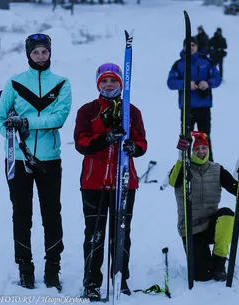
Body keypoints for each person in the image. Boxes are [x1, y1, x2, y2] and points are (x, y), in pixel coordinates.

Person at [0, 33, 72, 290]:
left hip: (49, 159)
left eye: (44, 52)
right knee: (21, 215)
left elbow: (58, 118)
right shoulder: (14, 83)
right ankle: (25, 267)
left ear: (50, 53)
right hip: (18, 160)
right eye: (35, 52)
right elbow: (0, 117)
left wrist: (26, 122)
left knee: (52, 214)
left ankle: (52, 268)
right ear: (28, 54)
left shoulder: (62, 84)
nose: (40, 56)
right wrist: (9, 131)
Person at [74, 62, 147, 301]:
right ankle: (91, 282)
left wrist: (132, 147)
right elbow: (81, 143)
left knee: (121, 233)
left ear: (120, 83)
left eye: (113, 80)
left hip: (124, 182)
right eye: (104, 81)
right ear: (98, 83)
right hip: (94, 182)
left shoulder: (132, 111)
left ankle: (120, 278)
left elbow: (142, 143)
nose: (108, 85)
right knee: (94, 234)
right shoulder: (88, 110)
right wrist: (104, 138)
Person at [168, 131, 239, 281]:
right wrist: (181, 157)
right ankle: (205, 261)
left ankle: (219, 262)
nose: (201, 152)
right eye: (196, 149)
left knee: (227, 214)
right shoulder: (183, 169)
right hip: (191, 229)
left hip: (210, 225)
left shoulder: (216, 169)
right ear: (191, 151)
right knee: (203, 276)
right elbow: (172, 181)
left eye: (204, 148)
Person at [167, 37, 221, 162]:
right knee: (186, 137)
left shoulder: (206, 62)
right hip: (187, 107)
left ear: (196, 46)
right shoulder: (179, 64)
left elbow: (217, 79)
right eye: (187, 45)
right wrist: (185, 84)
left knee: (204, 137)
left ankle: (208, 162)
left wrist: (207, 83)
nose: (190, 47)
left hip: (203, 106)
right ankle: (185, 163)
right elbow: (170, 83)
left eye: (193, 45)